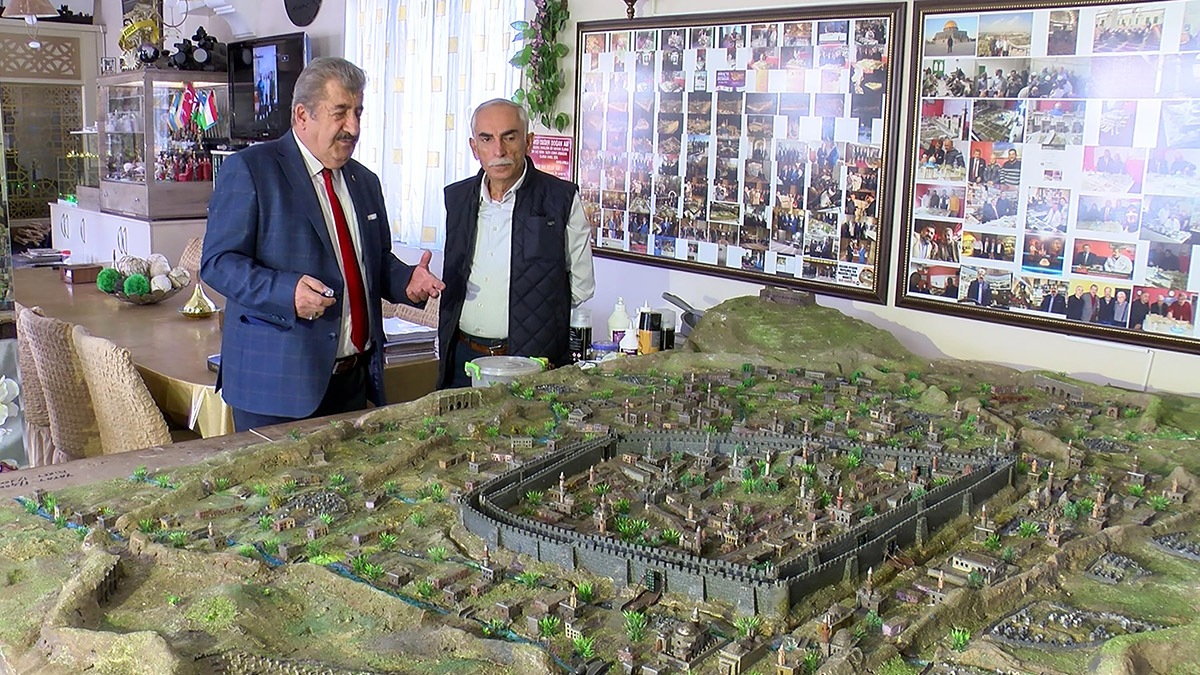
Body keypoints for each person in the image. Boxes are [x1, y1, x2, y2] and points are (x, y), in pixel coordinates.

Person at [202, 57, 444, 431]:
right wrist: (287, 292)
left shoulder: (365, 181)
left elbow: (372, 262)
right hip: (275, 387)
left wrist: (406, 280)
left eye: (358, 112)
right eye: (340, 113)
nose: (354, 127)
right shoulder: (251, 170)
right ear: (302, 116)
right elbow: (218, 263)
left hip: (352, 382)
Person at [438, 99, 596, 389]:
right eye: (487, 139)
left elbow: (582, 286)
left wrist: (540, 319)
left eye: (509, 137)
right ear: (474, 147)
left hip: (529, 363)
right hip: (463, 358)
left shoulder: (559, 199)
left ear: (528, 142)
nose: (499, 151)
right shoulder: (457, 198)